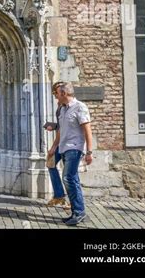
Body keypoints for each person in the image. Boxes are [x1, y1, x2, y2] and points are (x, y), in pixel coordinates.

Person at [54, 82, 93, 226]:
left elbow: (87, 130)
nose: (56, 96)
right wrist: (55, 147)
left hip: (75, 148)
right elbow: (61, 131)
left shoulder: (80, 107)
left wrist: (89, 152)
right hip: (64, 148)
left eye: (57, 93)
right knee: (72, 179)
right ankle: (77, 212)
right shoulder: (63, 109)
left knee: (68, 178)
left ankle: (79, 212)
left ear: (64, 94)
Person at [45, 81, 68, 207]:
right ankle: (59, 196)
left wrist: (53, 147)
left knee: (70, 175)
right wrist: (53, 126)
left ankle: (72, 201)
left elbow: (64, 128)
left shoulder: (67, 106)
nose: (55, 95)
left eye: (56, 92)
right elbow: (61, 126)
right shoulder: (60, 107)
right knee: (50, 164)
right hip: (62, 142)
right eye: (54, 92)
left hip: (67, 144)